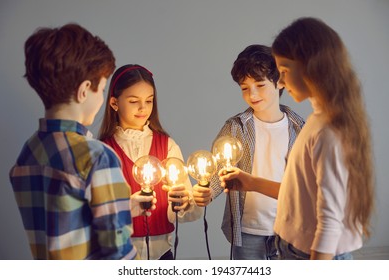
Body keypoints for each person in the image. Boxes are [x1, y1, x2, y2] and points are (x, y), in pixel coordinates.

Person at [219, 17, 375, 260]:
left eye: (283, 72)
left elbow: (329, 222)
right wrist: (250, 182)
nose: (280, 81)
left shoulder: (326, 131)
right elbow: (300, 193)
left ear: (311, 66)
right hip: (293, 248)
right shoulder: (316, 121)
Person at [9, 23, 153, 259]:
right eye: (103, 89)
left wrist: (122, 207)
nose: (102, 99)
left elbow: (65, 220)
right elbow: (118, 253)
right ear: (85, 90)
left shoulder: (29, 152)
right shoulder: (97, 157)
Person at [192, 45, 305, 260]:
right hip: (248, 230)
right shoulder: (236, 127)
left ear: (280, 81)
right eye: (245, 88)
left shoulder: (299, 129)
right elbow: (219, 171)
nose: (252, 94)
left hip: (289, 230)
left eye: (260, 85)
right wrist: (205, 192)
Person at [99, 64, 203, 260]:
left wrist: (184, 202)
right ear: (114, 103)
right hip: (117, 253)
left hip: (161, 254)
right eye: (133, 101)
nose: (143, 108)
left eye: (149, 101)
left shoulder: (167, 146)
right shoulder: (103, 151)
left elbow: (189, 209)